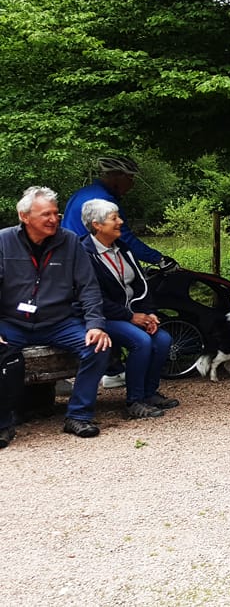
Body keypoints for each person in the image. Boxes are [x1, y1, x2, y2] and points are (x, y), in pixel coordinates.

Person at [0, 186, 111, 441]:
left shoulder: (70, 241)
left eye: (56, 214)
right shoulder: (4, 241)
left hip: (58, 322)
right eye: (46, 214)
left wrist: (95, 324)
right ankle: (3, 424)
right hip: (12, 322)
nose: (53, 219)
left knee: (98, 347)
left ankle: (78, 416)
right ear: (24, 216)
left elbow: (88, 286)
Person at [79, 198, 181, 418]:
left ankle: (149, 393)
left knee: (163, 340)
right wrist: (131, 317)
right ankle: (134, 401)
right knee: (141, 341)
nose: (121, 222)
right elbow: (94, 298)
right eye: (114, 218)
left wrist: (150, 313)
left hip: (131, 314)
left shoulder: (123, 249)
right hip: (101, 317)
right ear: (97, 225)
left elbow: (141, 285)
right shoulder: (84, 254)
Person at [61, 156, 174, 267]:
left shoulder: (81, 193)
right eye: (130, 178)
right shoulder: (103, 200)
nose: (132, 184)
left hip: (68, 257)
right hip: (86, 262)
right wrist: (159, 259)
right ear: (117, 176)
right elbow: (122, 238)